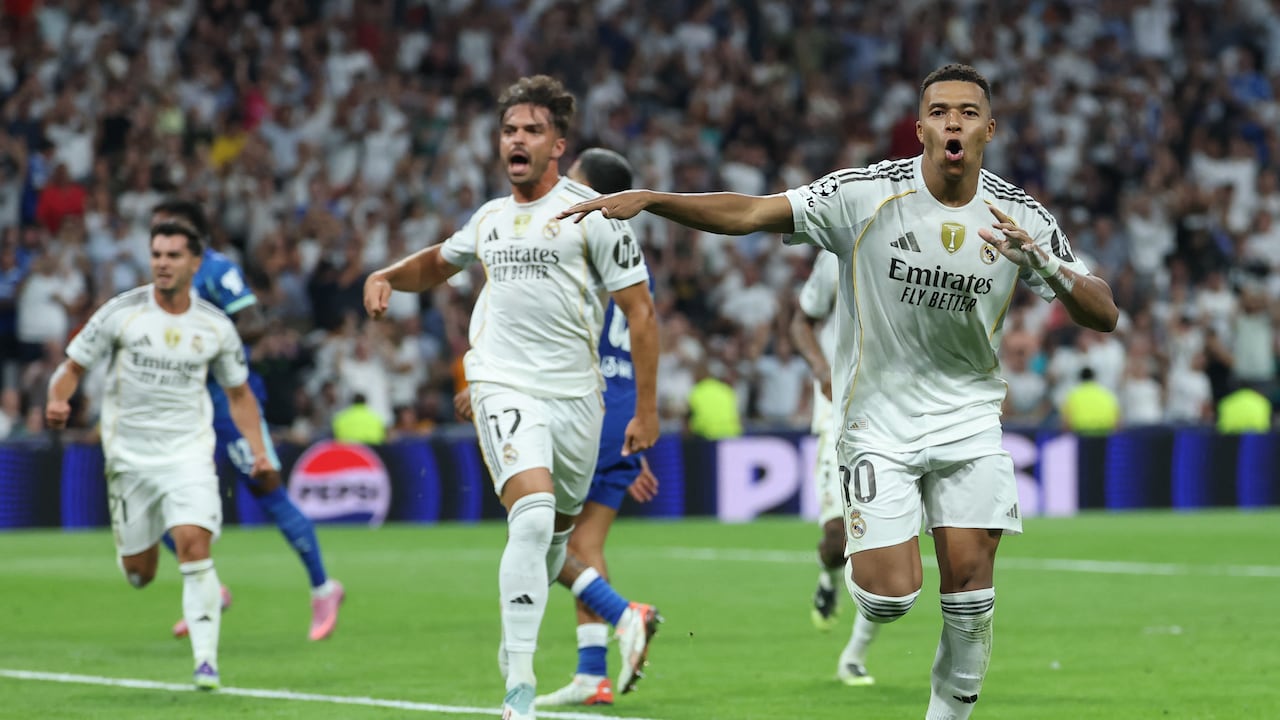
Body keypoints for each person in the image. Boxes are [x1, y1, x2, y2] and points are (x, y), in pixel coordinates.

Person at [559, 64, 1119, 720]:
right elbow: (752, 211)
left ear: (989, 129)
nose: (953, 123)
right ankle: (859, 567)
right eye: (939, 112)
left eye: (968, 113)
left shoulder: (1019, 215)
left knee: (970, 592)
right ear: (920, 128)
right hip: (877, 421)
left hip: (968, 416)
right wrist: (655, 199)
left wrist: (1043, 262)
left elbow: (1104, 312)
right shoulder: (864, 194)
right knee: (890, 596)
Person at [363, 76, 662, 720]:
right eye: (508, 131)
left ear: (558, 144)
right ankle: (519, 688)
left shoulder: (593, 215)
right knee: (530, 515)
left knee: (556, 539)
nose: (517, 140)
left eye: (531, 130)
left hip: (578, 399)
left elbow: (641, 313)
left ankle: (529, 632)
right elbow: (440, 262)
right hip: (502, 381)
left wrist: (647, 409)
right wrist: (388, 274)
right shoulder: (490, 219)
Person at [45, 222, 278, 690]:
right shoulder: (122, 312)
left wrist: (260, 452)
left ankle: (206, 663)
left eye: (173, 255)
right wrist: (57, 399)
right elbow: (73, 366)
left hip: (188, 453)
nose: (163, 263)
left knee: (194, 542)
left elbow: (239, 395)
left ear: (195, 263)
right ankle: (137, 552)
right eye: (157, 254)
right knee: (140, 574)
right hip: (129, 459)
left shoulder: (215, 326)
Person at [150, 199, 344, 642]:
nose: (160, 245)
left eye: (169, 231)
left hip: (228, 402)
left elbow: (254, 323)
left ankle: (323, 588)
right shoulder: (160, 283)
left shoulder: (217, 271)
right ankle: (208, 589)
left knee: (268, 490)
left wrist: (208, 342)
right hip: (183, 407)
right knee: (152, 503)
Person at [790, 249, 879, 686]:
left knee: (882, 544)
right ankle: (828, 578)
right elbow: (801, 321)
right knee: (836, 538)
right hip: (838, 410)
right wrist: (820, 368)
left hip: (894, 412)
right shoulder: (837, 252)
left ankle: (854, 655)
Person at [1061, 367, 1120, 434]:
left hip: (1081, 433)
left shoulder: (1072, 395)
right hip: (1103, 433)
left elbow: (1066, 421)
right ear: (1094, 378)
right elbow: (1117, 419)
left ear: (1079, 379)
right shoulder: (1106, 393)